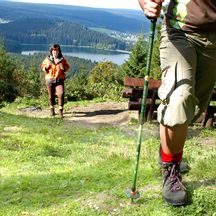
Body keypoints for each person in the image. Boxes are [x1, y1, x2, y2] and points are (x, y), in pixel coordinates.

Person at [138, 0, 216, 206]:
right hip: (180, 31)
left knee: (194, 109)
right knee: (179, 98)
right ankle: (171, 170)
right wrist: (146, 3)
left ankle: (167, 148)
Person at [41, 44, 70, 118]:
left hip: (59, 79)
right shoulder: (48, 59)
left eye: (56, 50)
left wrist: (63, 68)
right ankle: (52, 109)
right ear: (51, 51)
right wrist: (46, 67)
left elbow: (67, 67)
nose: (55, 51)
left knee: (61, 93)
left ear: (59, 51)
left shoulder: (62, 59)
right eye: (54, 50)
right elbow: (42, 66)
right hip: (50, 80)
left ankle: (60, 110)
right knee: (51, 96)